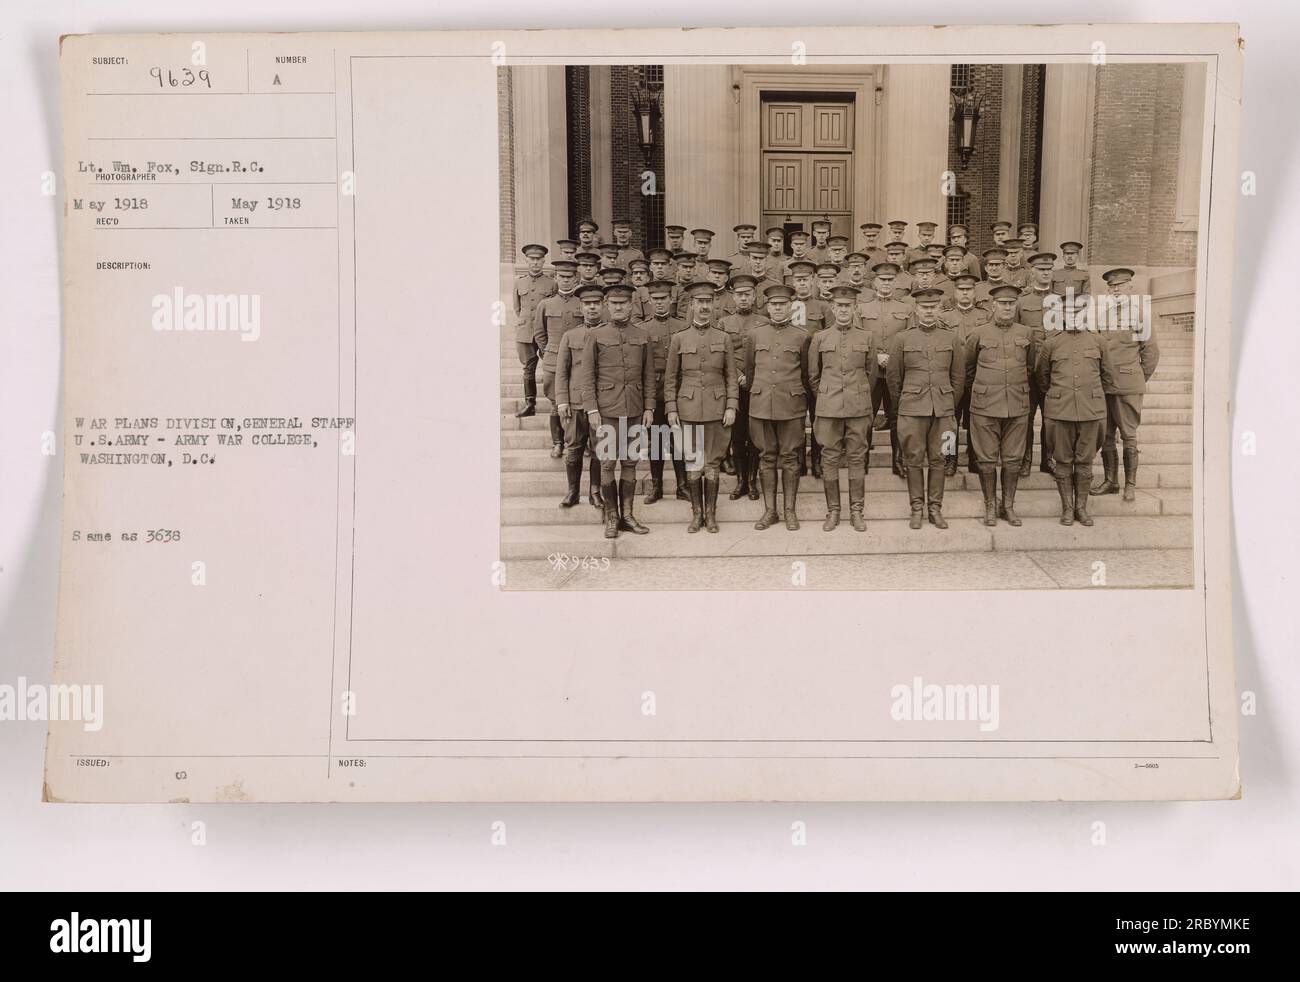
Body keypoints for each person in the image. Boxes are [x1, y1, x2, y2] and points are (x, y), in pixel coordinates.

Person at [577, 283, 656, 538]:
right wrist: (591, 409)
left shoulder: (642, 335)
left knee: (631, 461)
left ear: (631, 305)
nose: (619, 307)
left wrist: (649, 407)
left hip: (634, 408)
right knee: (608, 463)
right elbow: (586, 376)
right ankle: (612, 517)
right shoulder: (596, 335)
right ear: (607, 306)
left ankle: (628, 516)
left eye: (623, 303)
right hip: (606, 410)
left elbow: (648, 376)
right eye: (614, 303)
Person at [886, 288, 966, 529]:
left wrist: (949, 405)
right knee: (912, 459)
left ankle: (935, 508)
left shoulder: (951, 338)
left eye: (933, 307)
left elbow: (959, 377)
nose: (929, 311)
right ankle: (917, 508)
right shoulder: (902, 338)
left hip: (943, 411)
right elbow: (893, 378)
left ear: (939, 309)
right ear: (916, 309)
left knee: (940, 458)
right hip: (911, 410)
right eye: (924, 307)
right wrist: (904, 404)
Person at [1034, 292, 1116, 526]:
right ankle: (1067, 509)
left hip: (1091, 411)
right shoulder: (1052, 343)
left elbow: (1107, 377)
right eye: (1068, 312)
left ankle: (1081, 508)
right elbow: (1042, 377)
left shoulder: (1098, 341)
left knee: (1085, 461)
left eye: (1078, 311)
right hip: (1060, 411)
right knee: (1062, 461)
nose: (1073, 316)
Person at [667, 283, 740, 532]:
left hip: (717, 410)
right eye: (700, 302)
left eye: (709, 302)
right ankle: (696, 514)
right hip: (687, 409)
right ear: (692, 306)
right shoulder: (679, 338)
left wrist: (731, 406)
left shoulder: (723, 338)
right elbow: (670, 379)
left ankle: (711, 514)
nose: (705, 307)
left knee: (712, 464)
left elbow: (731, 376)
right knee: (693, 463)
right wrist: (672, 410)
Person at [963, 285, 1035, 526]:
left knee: (1013, 459)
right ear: (992, 305)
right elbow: (968, 369)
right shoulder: (978, 333)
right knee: (986, 459)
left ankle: (1009, 506)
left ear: (1016, 306)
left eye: (1011, 304)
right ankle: (990, 506)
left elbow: (1031, 367)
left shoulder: (1026, 332)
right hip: (985, 406)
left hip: (1017, 403)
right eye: (1002, 303)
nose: (1007, 308)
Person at [743, 284, 811, 531]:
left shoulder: (802, 336)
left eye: (782, 304)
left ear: (790, 306)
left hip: (791, 405)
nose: (778, 308)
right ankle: (770, 511)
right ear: (767, 307)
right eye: (773, 304)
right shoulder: (754, 335)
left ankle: (789, 511)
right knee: (766, 457)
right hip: (761, 405)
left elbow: (806, 373)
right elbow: (750, 372)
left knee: (791, 459)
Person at [809, 285, 877, 531]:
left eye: (848, 306)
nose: (843, 310)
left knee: (857, 458)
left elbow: (871, 373)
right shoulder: (820, 338)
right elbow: (813, 377)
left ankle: (857, 511)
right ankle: (834, 511)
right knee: (829, 458)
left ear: (855, 307)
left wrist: (856, 395)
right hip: (828, 409)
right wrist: (828, 398)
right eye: (839, 306)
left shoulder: (867, 336)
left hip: (858, 409)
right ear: (833, 308)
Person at [1092, 267, 1160, 500]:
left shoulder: (1139, 315)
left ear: (1130, 286)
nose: (1116, 289)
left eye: (1120, 285)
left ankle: (1130, 484)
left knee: (1129, 435)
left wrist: (1137, 377)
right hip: (1104, 386)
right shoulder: (1102, 315)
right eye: (1112, 286)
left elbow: (1150, 353)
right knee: (1106, 436)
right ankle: (1111, 481)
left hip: (1128, 385)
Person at [635, 279, 691, 504]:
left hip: (680, 388)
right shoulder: (643, 329)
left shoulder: (682, 327)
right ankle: (656, 486)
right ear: (649, 301)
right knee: (656, 440)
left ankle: (683, 485)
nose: (659, 303)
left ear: (671, 300)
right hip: (655, 390)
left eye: (663, 299)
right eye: (655, 299)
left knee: (680, 438)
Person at [858, 261, 914, 476]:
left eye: (890, 280)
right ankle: (862, 461)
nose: (886, 283)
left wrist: (891, 358)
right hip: (870, 372)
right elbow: (858, 339)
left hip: (896, 373)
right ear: (874, 282)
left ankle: (898, 461)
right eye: (882, 280)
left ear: (896, 282)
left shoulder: (906, 309)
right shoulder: (862, 309)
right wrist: (876, 357)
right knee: (865, 416)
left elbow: (909, 340)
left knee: (897, 416)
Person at [554, 283, 608, 510]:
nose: (592, 308)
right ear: (581, 307)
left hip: (602, 404)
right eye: (587, 304)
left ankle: (595, 492)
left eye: (596, 303)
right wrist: (562, 400)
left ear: (603, 305)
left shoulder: (610, 334)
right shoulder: (570, 335)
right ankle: (572, 491)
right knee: (574, 448)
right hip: (575, 403)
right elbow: (562, 371)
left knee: (598, 449)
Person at [718, 273, 770, 501]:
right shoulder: (724, 323)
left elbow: (768, 355)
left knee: (755, 435)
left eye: (747, 294)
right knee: (737, 436)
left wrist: (751, 377)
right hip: (733, 386)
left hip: (758, 385)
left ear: (754, 295)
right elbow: (721, 354)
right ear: (733, 296)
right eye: (739, 294)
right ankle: (740, 481)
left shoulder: (764, 322)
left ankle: (752, 481)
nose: (743, 298)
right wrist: (738, 375)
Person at [940, 273, 992, 476]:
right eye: (961, 289)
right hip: (950, 377)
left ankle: (973, 457)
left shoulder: (984, 315)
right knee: (948, 419)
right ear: (954, 292)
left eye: (969, 289)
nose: (965, 293)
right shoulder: (944, 317)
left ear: (974, 292)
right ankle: (948, 458)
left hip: (976, 376)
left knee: (975, 420)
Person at [531, 258, 583, 458]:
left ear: (576, 278)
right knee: (556, 404)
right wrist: (547, 352)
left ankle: (579, 442)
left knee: (578, 404)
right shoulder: (546, 304)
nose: (566, 281)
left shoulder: (582, 302)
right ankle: (558, 443)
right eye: (562, 277)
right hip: (553, 361)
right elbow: (539, 333)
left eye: (570, 277)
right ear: (555, 277)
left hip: (579, 361)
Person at [1015, 252, 1060, 477]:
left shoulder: (1061, 300)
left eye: (1048, 269)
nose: (1045, 273)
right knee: (1026, 417)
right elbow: (1014, 334)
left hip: (1054, 370)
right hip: (1029, 369)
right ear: (1032, 271)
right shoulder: (1022, 301)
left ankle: (1047, 459)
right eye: (1041, 269)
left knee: (1051, 418)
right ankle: (1025, 460)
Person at [511, 243, 556, 419]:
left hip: (545, 333)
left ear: (544, 261)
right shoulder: (519, 282)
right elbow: (517, 307)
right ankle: (530, 403)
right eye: (532, 259)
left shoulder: (551, 283)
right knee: (528, 369)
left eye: (538, 259)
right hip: (525, 332)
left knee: (551, 367)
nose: (535, 262)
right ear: (526, 260)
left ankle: (555, 402)